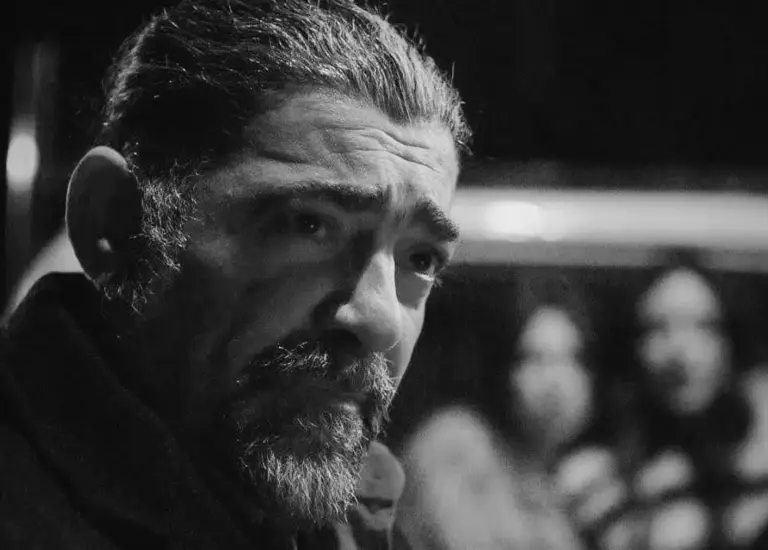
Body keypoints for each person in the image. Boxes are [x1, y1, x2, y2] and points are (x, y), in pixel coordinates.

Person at [0, 0, 470, 548]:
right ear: (113, 220)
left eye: (421, 259)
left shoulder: (354, 523)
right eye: (309, 224)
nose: (381, 321)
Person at [561, 250, 768, 550]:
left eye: (702, 325)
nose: (680, 352)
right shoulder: (593, 478)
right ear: (633, 346)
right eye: (659, 327)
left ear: (729, 342)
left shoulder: (757, 465)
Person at [395, 274, 587, 550]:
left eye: (572, 358)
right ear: (503, 368)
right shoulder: (456, 446)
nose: (556, 382)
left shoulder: (566, 473)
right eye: (534, 358)